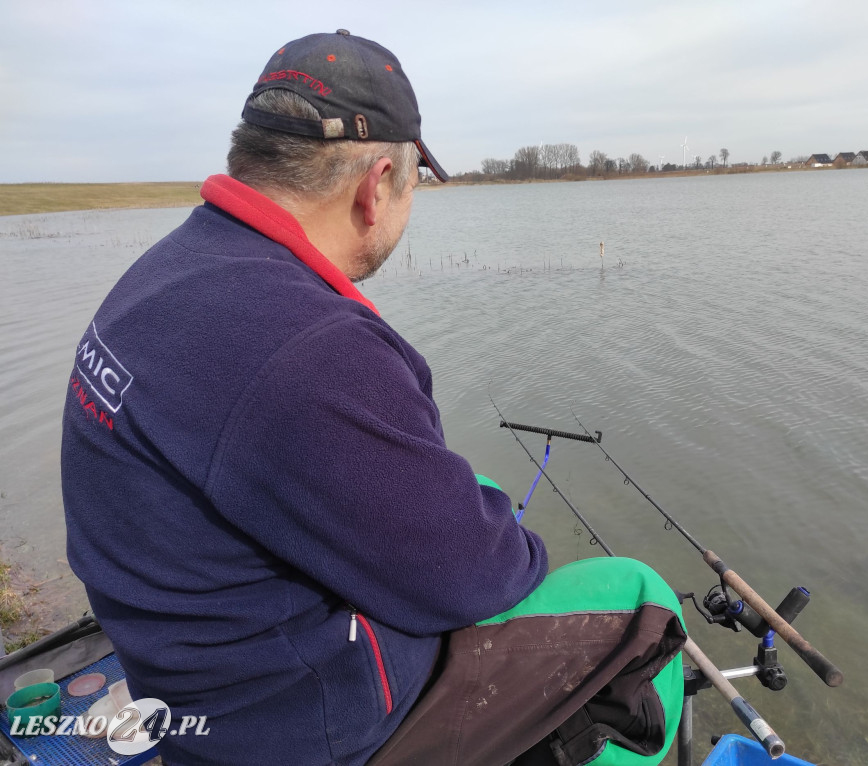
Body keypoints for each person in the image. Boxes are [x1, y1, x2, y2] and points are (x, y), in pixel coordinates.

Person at [62, 31, 685, 766]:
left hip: (192, 688)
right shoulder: (313, 347)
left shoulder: (165, 275)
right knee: (643, 599)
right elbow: (482, 576)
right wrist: (502, 534)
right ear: (377, 182)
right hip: (305, 731)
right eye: (416, 185)